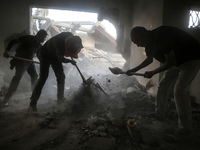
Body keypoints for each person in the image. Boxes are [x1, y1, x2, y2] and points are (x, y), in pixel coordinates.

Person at [126, 26, 200, 139]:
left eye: (137, 41)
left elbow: (170, 61)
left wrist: (153, 72)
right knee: (163, 85)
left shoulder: (161, 35)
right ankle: (160, 113)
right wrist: (133, 70)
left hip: (191, 58)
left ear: (143, 35)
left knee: (180, 91)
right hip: (177, 62)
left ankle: (185, 129)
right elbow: (149, 59)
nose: (137, 45)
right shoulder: (148, 44)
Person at [28, 32, 83, 112]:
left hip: (54, 55)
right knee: (43, 77)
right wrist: (69, 61)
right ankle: (32, 103)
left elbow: (60, 56)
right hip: (44, 55)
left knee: (61, 77)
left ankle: (60, 101)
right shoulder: (59, 45)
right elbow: (61, 58)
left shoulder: (70, 36)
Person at [3, 30, 47, 105]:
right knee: (18, 77)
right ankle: (6, 98)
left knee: (35, 76)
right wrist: (7, 51)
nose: (44, 39)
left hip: (30, 61)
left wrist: (43, 62)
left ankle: (34, 94)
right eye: (44, 37)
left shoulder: (39, 45)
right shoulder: (28, 38)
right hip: (21, 60)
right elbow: (13, 41)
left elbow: (39, 55)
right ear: (39, 35)